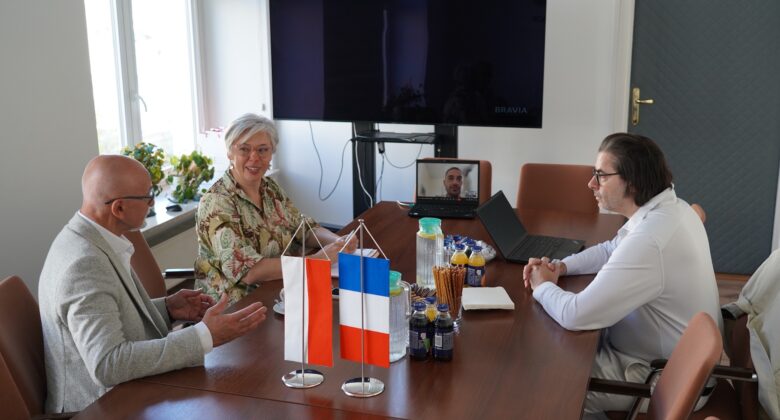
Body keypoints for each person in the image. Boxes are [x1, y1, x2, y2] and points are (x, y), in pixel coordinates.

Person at [38, 155, 267, 413]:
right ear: (119, 208)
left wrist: (167, 308)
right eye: (148, 196)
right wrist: (205, 336)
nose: (152, 203)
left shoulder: (91, 237)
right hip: (99, 407)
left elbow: (110, 313)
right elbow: (108, 364)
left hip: (128, 392)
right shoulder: (85, 265)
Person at [522, 133, 721, 418]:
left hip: (662, 376)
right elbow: (611, 249)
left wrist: (541, 285)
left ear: (633, 181)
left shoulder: (651, 239)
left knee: (550, 386)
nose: (591, 184)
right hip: (661, 359)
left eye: (601, 176)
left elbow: (575, 314)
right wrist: (560, 267)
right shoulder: (671, 209)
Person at [195, 113, 355, 304]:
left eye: (263, 150)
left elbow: (303, 229)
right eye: (244, 149)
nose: (254, 157)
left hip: (279, 289)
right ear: (230, 152)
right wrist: (318, 260)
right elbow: (248, 272)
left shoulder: (270, 188)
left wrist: (339, 242)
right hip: (234, 305)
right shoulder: (217, 202)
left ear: (272, 152)